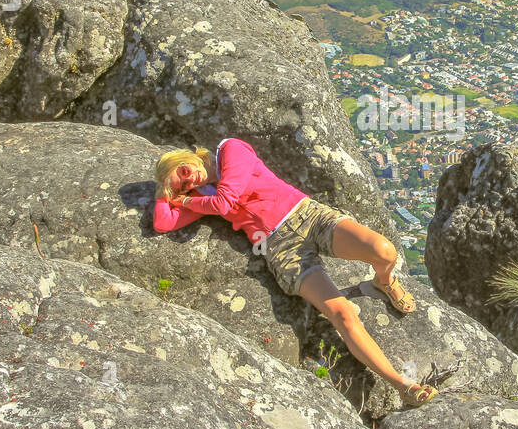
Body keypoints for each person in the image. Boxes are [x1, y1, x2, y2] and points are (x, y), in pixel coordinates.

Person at [152, 138, 438, 406]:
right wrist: (164, 192)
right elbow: (163, 223)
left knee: (385, 251)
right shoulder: (204, 196)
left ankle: (384, 280)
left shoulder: (229, 150)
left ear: (187, 157)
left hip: (307, 215)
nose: (190, 180)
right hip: (279, 248)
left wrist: (183, 200)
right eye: (183, 185)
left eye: (184, 170)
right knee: (342, 315)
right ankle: (403, 386)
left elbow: (225, 201)